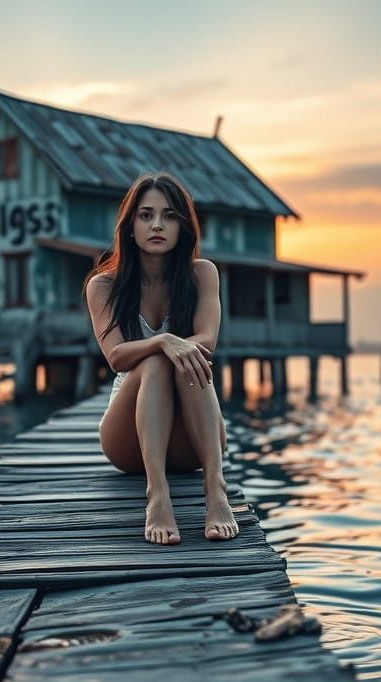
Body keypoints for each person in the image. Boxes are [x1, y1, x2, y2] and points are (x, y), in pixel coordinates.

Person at [83, 171, 239, 546]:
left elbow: (206, 342)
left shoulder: (202, 274)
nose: (157, 225)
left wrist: (174, 345)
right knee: (155, 359)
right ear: (130, 225)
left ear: (183, 226)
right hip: (128, 443)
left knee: (185, 358)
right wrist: (164, 340)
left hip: (193, 442)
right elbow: (117, 356)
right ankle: (157, 494)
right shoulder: (103, 285)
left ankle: (215, 489)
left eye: (169, 216)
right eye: (146, 215)